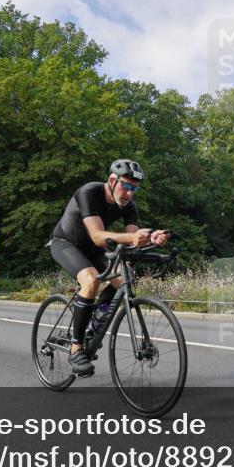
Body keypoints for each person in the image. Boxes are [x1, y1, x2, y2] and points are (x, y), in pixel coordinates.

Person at [49, 159, 170, 376]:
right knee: (91, 280)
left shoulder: (129, 206)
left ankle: (98, 316)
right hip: (66, 243)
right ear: (112, 181)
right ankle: (77, 348)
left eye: (135, 189)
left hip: (95, 249)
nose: (130, 193)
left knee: (124, 280)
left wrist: (151, 238)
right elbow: (97, 236)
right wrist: (133, 237)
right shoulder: (89, 193)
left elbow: (133, 238)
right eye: (126, 186)